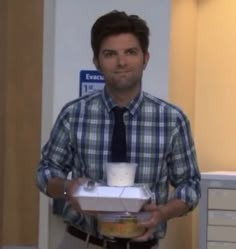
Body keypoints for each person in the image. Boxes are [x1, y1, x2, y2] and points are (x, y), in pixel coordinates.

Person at [36, 10, 201, 249]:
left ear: (145, 58)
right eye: (110, 54)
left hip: (143, 243)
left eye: (130, 52)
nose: (121, 62)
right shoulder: (74, 114)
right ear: (96, 61)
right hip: (82, 241)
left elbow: (191, 184)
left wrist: (163, 213)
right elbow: (45, 172)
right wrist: (66, 188)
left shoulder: (171, 120)